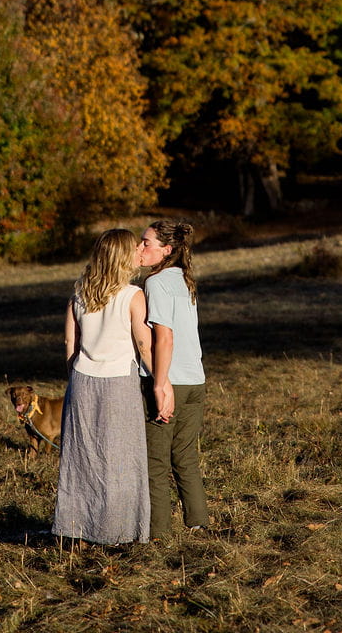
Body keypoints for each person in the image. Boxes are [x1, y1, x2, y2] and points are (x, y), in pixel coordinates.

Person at [52, 227, 151, 544]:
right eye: (135, 248)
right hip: (119, 380)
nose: (140, 252)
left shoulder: (80, 292)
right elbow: (143, 344)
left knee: (82, 458)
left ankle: (76, 528)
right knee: (121, 458)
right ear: (124, 257)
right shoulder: (133, 295)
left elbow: (70, 341)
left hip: (82, 379)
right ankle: (119, 531)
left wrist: (75, 375)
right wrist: (161, 380)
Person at [136, 219, 209, 538]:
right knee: (185, 456)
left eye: (146, 243)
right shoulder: (184, 278)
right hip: (195, 380)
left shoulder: (156, 283)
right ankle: (198, 523)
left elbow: (164, 338)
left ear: (166, 250)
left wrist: (159, 384)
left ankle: (159, 534)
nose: (140, 248)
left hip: (170, 381)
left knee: (156, 462)